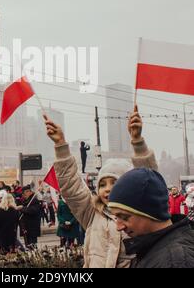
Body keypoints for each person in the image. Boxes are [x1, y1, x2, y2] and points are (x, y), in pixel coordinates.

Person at [44, 105, 158, 268]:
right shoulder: (91, 212)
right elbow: (72, 188)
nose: (107, 188)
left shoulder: (140, 216)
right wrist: (61, 146)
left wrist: (138, 142)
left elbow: (150, 183)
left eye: (115, 182)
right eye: (102, 184)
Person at [109, 168, 194, 268]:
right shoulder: (156, 249)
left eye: (124, 217)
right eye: (116, 218)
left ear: (149, 212)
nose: (118, 227)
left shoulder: (174, 261)